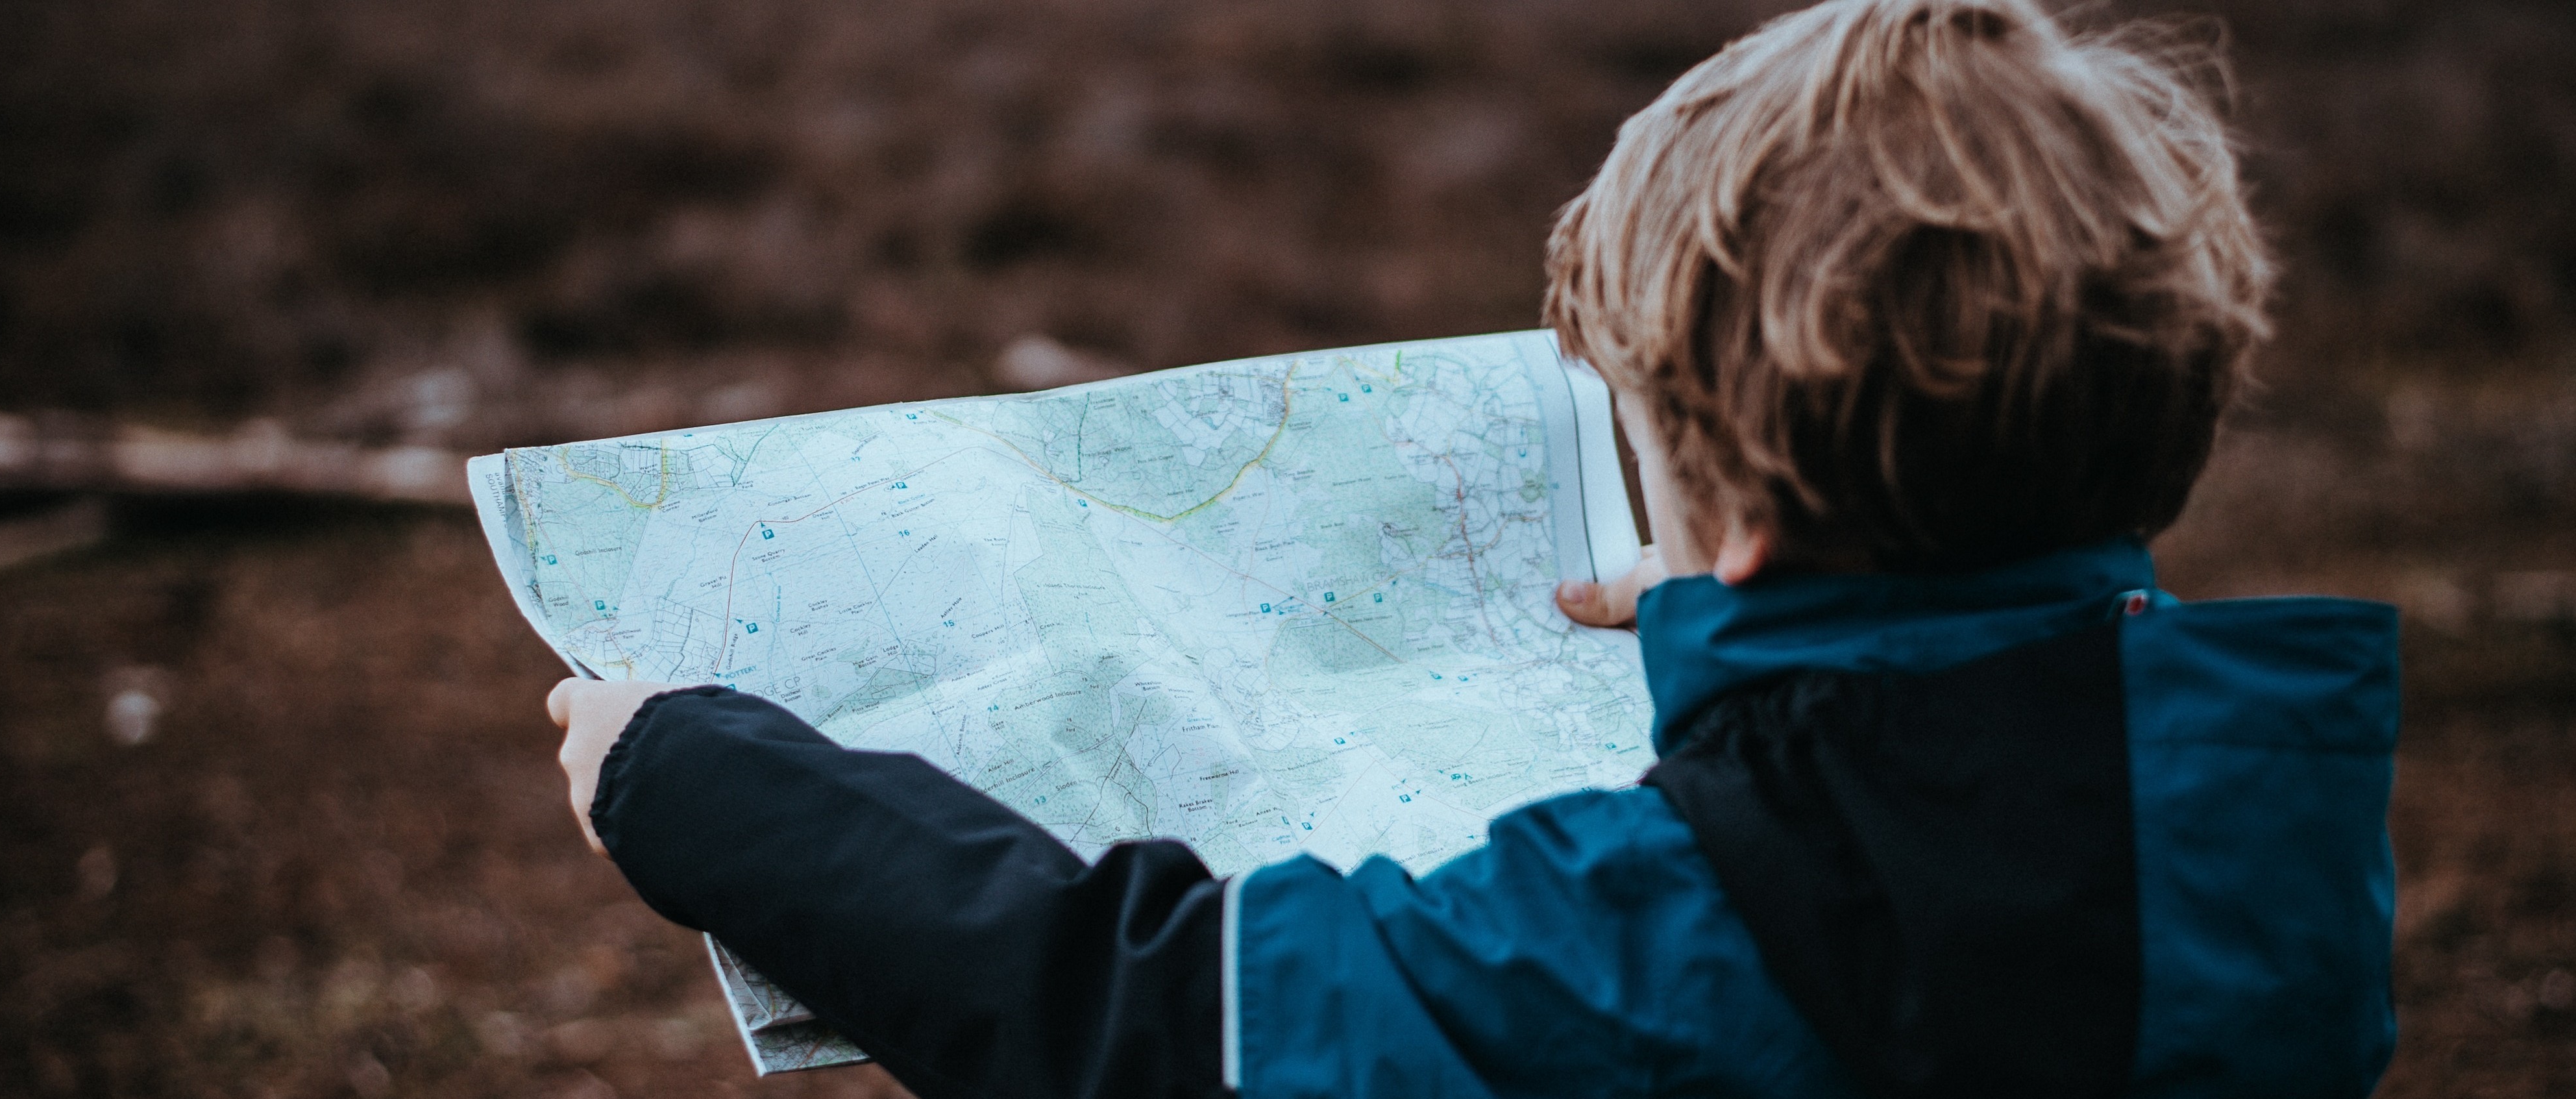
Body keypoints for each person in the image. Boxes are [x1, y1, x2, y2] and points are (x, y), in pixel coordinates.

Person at [545, 0, 2399, 1095]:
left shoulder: (1658, 929)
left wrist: (696, 783)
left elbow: (1146, 1024)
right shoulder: (2268, 834)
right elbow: (1977, 778)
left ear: (1735, 505)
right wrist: (1750, 639)